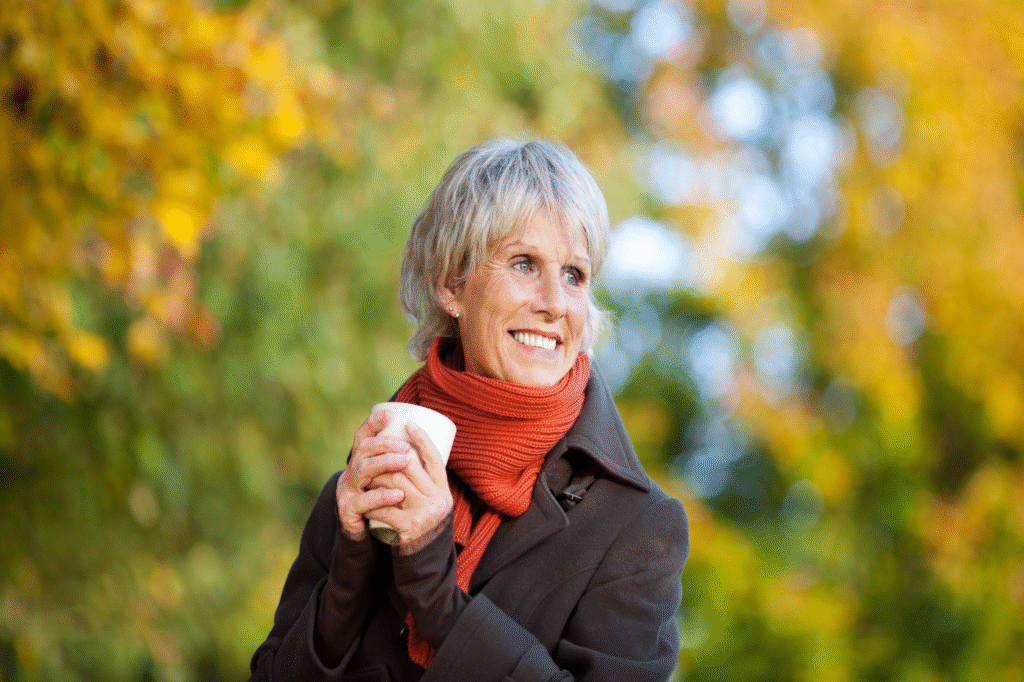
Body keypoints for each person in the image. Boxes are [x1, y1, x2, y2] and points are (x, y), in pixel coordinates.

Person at [248, 138, 689, 681]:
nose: (554, 302)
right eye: (524, 264)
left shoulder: (636, 528)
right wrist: (348, 576)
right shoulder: (363, 486)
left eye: (574, 274)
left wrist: (438, 599)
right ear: (452, 286)